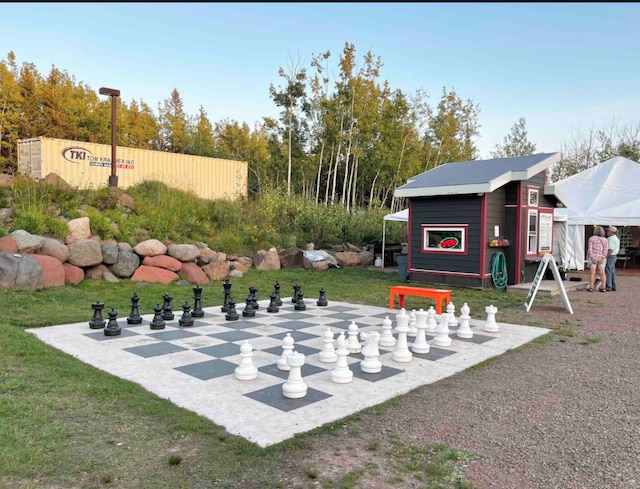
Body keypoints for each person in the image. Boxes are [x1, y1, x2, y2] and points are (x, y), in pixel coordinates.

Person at [586, 225, 608, 292]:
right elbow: (605, 250)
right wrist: (603, 257)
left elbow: (590, 249)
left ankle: (591, 287)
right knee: (602, 272)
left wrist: (592, 258)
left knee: (592, 272)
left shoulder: (591, 238)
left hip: (593, 257)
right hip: (601, 257)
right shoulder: (605, 240)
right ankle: (603, 287)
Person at [605, 225, 620, 291]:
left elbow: (610, 249)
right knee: (612, 271)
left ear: (611, 232)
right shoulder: (616, 238)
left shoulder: (610, 239)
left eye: (608, 231)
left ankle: (609, 286)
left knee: (608, 270)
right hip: (614, 256)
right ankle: (613, 285)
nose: (607, 232)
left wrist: (606, 256)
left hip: (610, 256)